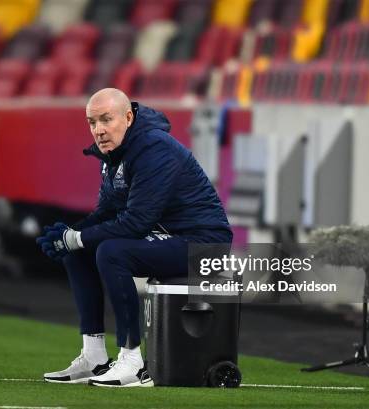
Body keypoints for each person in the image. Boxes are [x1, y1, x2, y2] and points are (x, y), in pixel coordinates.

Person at [36, 88, 232, 387]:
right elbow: (105, 213)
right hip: (171, 238)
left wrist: (78, 237)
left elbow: (137, 222)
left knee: (112, 252)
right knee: (78, 252)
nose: (98, 130)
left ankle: (133, 362)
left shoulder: (154, 148)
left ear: (128, 117)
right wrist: (68, 236)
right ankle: (94, 358)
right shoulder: (117, 153)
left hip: (205, 246)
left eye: (106, 119)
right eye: (92, 122)